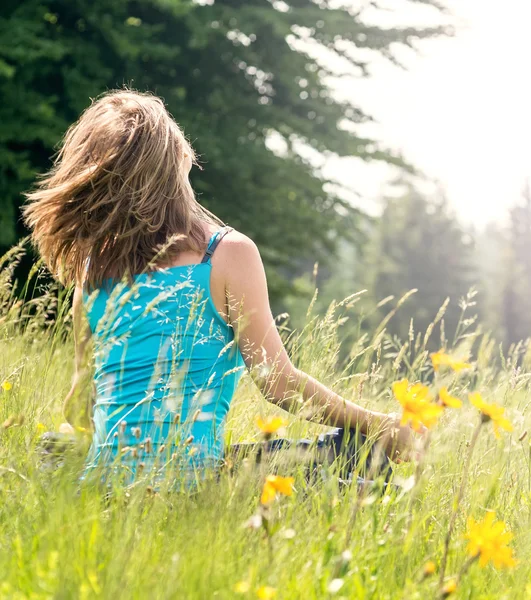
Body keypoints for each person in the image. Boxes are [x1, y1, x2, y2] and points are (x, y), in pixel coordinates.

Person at [24, 90, 412, 484]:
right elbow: (278, 384)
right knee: (360, 455)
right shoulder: (226, 255)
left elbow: (80, 409)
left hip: (104, 488)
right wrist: (380, 425)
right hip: (189, 488)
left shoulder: (92, 272)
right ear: (177, 165)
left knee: (304, 456)